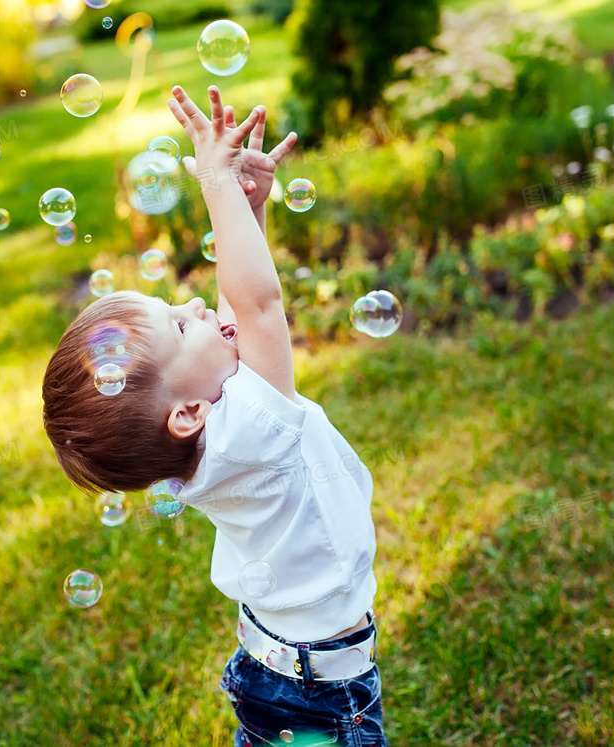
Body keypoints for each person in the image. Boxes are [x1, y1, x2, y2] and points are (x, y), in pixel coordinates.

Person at [42, 85, 387, 746]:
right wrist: (218, 183)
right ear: (187, 411)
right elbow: (254, 307)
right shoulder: (253, 430)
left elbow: (238, 318)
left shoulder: (217, 434)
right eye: (179, 324)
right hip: (322, 689)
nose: (199, 307)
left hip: (276, 669)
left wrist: (251, 210)